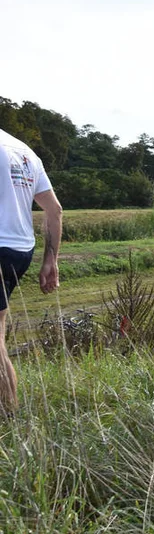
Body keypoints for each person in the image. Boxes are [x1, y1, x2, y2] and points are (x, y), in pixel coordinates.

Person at [0, 129, 62, 415]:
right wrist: (51, 259)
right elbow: (54, 210)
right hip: (21, 250)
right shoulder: (24, 151)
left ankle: (9, 414)